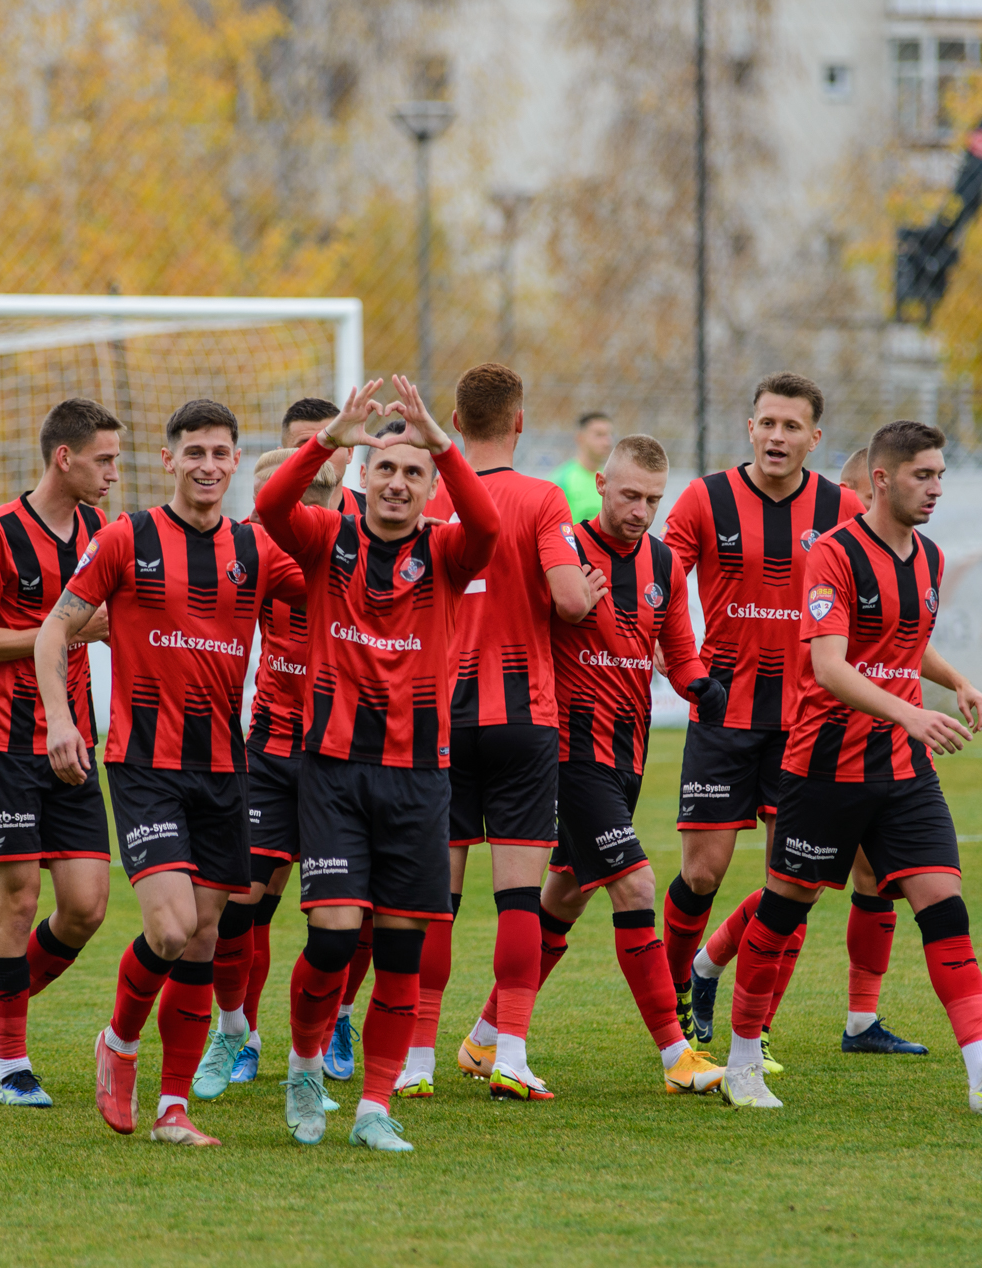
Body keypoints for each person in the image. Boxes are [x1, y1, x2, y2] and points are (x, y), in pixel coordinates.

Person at [717, 419, 982, 1113]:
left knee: (944, 905)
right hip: (825, 765)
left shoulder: (929, 557)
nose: (936, 488)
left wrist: (957, 681)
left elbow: (906, 643)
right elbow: (829, 666)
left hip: (903, 771)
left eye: (940, 475)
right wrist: (909, 713)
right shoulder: (833, 555)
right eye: (922, 475)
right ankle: (741, 1062)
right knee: (783, 911)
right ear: (881, 479)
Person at [35, 398, 305, 1146]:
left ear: (235, 462)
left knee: (207, 936)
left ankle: (172, 1109)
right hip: (145, 764)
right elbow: (55, 628)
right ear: (170, 460)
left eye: (220, 453)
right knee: (172, 925)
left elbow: (332, 583)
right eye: (195, 453)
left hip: (225, 766)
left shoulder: (256, 548)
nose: (208, 466)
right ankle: (119, 1041)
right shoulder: (129, 536)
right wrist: (60, 718)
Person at [256, 374, 500, 1153]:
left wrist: (444, 445)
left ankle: (372, 1107)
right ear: (363, 476)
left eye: (413, 472)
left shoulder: (448, 551)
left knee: (399, 950)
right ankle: (303, 1067)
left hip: (420, 778)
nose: (397, 482)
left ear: (431, 488)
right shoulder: (328, 539)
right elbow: (269, 507)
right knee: (332, 939)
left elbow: (488, 525)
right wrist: (328, 440)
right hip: (333, 768)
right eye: (386, 468)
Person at [660, 372, 915, 1075]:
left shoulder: (841, 507)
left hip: (807, 723)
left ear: (814, 438)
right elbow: (662, 583)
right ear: (750, 429)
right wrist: (684, 666)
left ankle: (757, 1029)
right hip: (724, 714)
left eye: (791, 426)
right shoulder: (705, 498)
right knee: (702, 874)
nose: (776, 436)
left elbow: (879, 603)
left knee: (790, 880)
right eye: (767, 423)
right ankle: (675, 1011)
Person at [463, 434, 731, 1094]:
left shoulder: (664, 564)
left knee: (565, 896)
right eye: (630, 495)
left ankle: (484, 1039)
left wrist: (701, 685)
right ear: (602, 486)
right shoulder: (564, 551)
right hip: (566, 751)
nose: (641, 510)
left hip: (626, 755)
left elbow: (679, 652)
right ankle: (677, 1056)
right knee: (635, 886)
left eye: (653, 500)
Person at [412, 362, 598, 1103]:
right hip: (523, 718)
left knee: (437, 897)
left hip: (440, 717)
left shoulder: (427, 496)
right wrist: (586, 591)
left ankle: (417, 1061)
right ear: (519, 422)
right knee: (519, 898)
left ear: (456, 424)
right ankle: (510, 1055)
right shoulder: (543, 497)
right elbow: (570, 602)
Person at [0, 398, 122, 1109]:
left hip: (73, 741)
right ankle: (14, 1063)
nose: (113, 474)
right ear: (65, 457)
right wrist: (66, 629)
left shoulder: (102, 533)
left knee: (86, 907)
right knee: (19, 898)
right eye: (104, 460)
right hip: (4, 742)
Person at [199, 442, 346, 1091]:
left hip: (340, 760)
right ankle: (236, 1029)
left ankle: (323, 1040)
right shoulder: (250, 554)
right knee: (238, 906)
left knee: (338, 922)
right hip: (269, 751)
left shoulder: (354, 553)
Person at [268, 398, 374, 1079]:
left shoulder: (381, 521)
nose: (320, 455)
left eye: (331, 442)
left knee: (361, 908)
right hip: (276, 735)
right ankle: (237, 1031)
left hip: (355, 741)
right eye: (305, 445)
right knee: (247, 900)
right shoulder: (265, 528)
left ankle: (337, 1016)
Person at [549, 411, 614, 521]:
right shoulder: (561, 480)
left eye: (609, 435)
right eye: (599, 435)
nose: (607, 442)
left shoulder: (612, 480)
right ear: (580, 438)